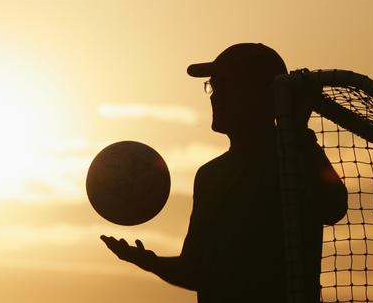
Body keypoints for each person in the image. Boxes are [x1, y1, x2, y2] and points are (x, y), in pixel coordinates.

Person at [101, 43, 348, 303]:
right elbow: (196, 270)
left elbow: (333, 206)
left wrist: (298, 133)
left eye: (227, 85)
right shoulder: (209, 176)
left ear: (263, 95)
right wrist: (149, 262)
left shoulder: (293, 157)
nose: (214, 95)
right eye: (212, 85)